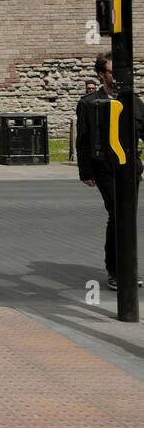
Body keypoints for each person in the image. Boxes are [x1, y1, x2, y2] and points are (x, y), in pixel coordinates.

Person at [76, 54, 144, 291]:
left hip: (131, 168)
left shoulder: (133, 100)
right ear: (101, 74)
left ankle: (127, 268)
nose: (118, 77)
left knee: (128, 218)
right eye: (113, 72)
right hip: (105, 168)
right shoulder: (89, 103)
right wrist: (85, 171)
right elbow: (83, 139)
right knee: (118, 214)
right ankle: (116, 270)